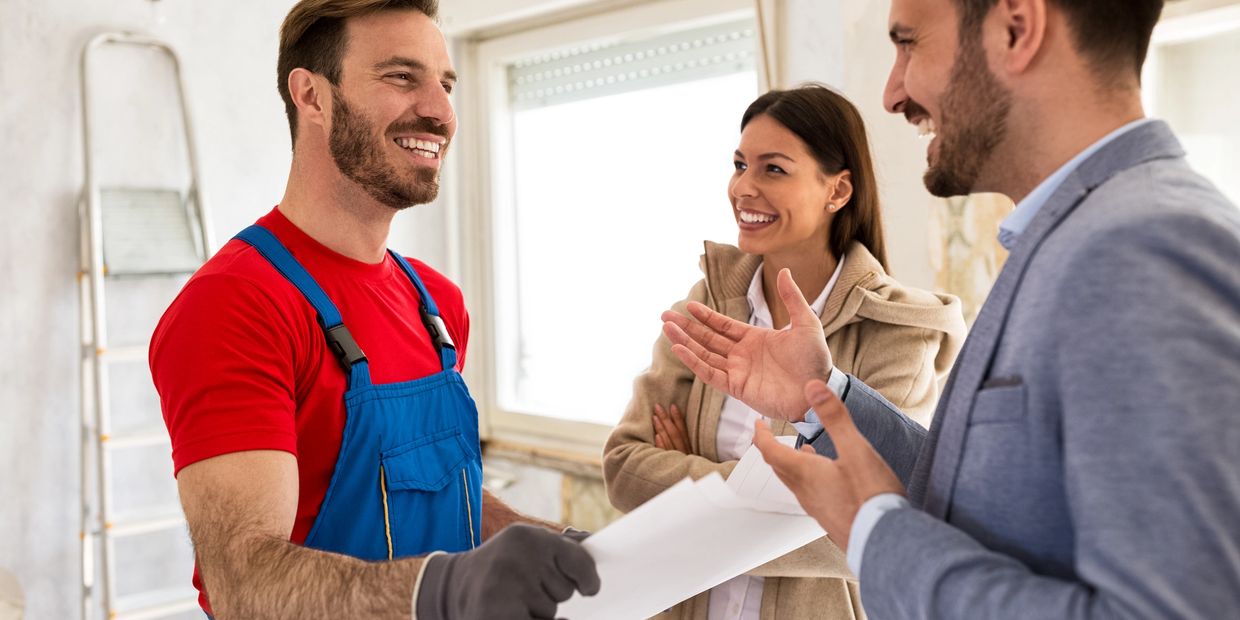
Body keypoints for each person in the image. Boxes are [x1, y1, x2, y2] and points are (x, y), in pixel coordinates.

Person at [662, 0, 1240, 617]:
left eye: (909, 43)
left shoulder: (1145, 247)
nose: (892, 94)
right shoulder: (1073, 236)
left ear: (1017, 29)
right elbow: (984, 501)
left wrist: (877, 532)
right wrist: (821, 396)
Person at [149, 1, 598, 617]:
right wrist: (447, 587)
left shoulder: (438, 305)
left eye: (445, 85)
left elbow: (431, 499)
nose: (440, 111)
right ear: (312, 96)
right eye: (401, 76)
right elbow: (243, 582)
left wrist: (557, 549)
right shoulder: (235, 305)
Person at [604, 85, 965, 619]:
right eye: (739, 165)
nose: (742, 187)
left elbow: (867, 531)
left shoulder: (899, 333)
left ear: (837, 190)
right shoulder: (705, 308)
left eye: (773, 169)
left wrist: (688, 486)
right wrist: (786, 494)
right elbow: (624, 468)